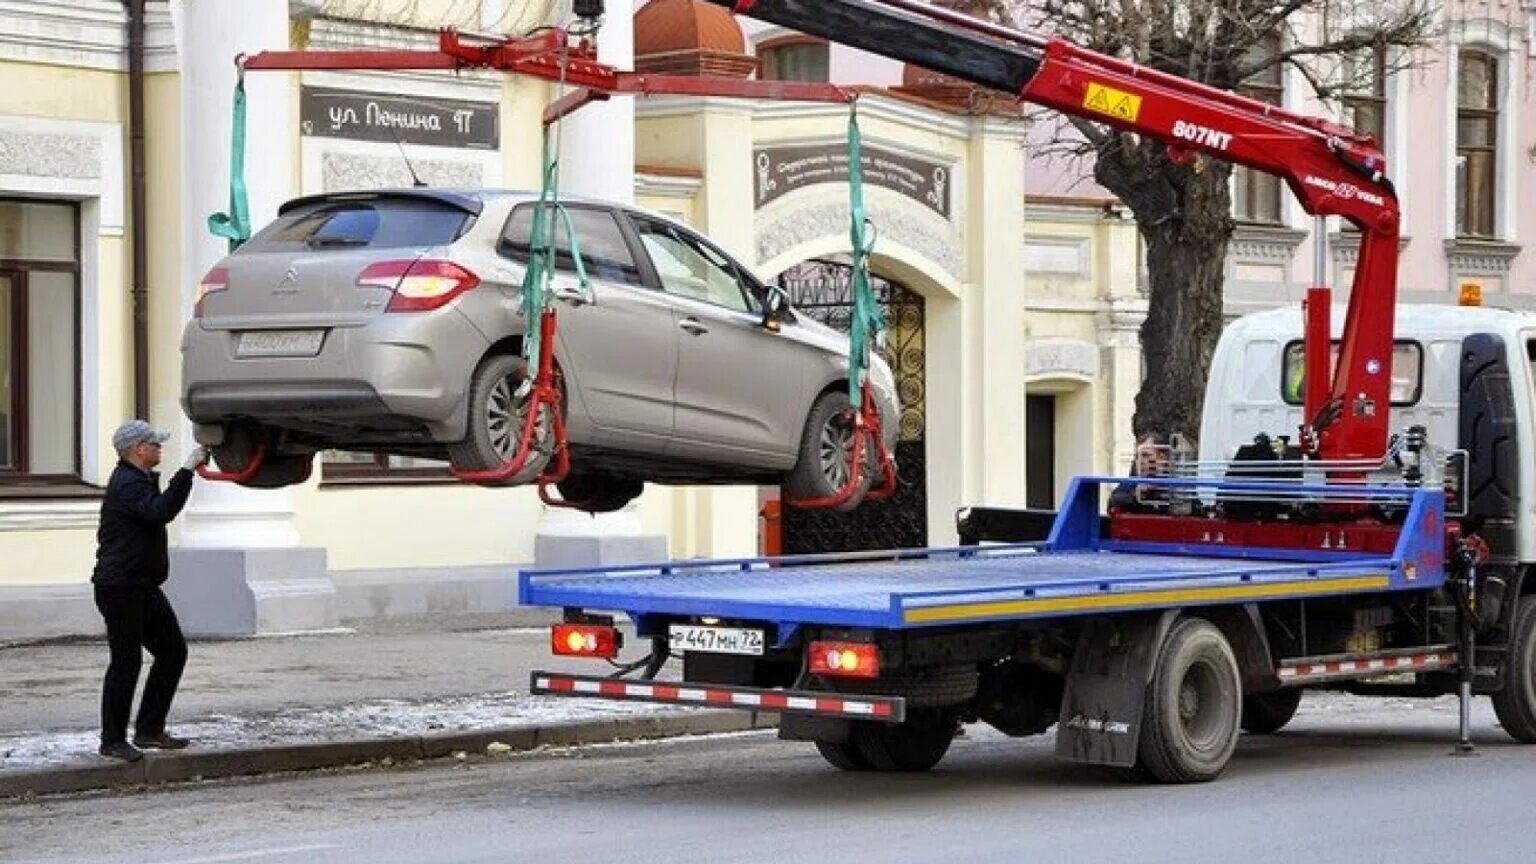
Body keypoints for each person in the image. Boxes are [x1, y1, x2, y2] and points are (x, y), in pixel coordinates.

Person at [91, 420, 209, 762]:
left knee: (173, 651)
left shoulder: (139, 479)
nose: (159, 449)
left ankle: (149, 730)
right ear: (137, 449)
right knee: (126, 663)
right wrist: (186, 471)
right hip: (120, 587)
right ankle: (112, 740)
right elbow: (160, 512)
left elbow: (157, 511)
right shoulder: (128, 484)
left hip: (140, 585)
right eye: (154, 444)